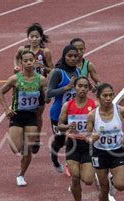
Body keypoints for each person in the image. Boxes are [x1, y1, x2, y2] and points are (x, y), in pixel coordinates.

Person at [85, 83, 124, 201]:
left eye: (111, 95)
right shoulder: (92, 115)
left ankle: (114, 181)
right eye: (105, 96)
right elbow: (87, 136)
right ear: (99, 97)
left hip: (116, 151)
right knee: (104, 188)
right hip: (99, 153)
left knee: (120, 185)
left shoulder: (120, 110)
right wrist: (92, 138)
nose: (108, 98)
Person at [0, 50, 47, 186]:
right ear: (21, 63)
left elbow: (46, 97)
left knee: (27, 149)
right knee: (16, 148)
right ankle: (19, 142)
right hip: (17, 115)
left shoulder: (41, 79)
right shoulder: (15, 79)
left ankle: (21, 174)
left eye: (30, 60)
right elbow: (0, 92)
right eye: (25, 61)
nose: (28, 63)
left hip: (32, 116)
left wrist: (50, 95)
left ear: (34, 61)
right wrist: (6, 109)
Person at [57, 76, 96, 201]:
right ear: (75, 87)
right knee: (75, 177)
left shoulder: (94, 105)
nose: (82, 89)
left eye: (85, 86)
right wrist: (67, 126)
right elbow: (60, 125)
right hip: (73, 144)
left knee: (88, 180)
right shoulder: (68, 105)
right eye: (80, 86)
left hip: (87, 145)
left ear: (88, 89)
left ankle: (90, 170)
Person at [14, 23, 54, 154]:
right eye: (32, 36)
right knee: (23, 112)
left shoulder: (45, 52)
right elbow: (16, 57)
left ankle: (36, 137)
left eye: (37, 36)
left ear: (41, 37)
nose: (34, 39)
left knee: (37, 115)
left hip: (39, 87)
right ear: (27, 37)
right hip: (24, 85)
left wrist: (42, 66)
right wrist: (16, 67)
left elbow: (52, 70)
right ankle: (24, 138)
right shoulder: (22, 50)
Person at [46, 44, 80, 173]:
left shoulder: (77, 71)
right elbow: (49, 93)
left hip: (74, 114)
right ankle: (54, 159)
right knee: (60, 141)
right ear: (64, 56)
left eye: (75, 56)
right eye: (69, 56)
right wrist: (66, 88)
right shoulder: (57, 72)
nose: (72, 59)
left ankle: (69, 164)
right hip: (58, 114)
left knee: (73, 139)